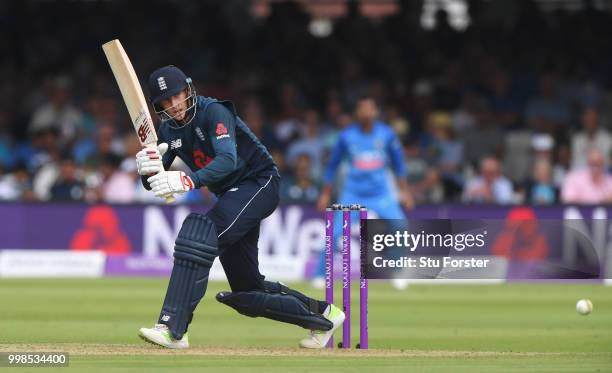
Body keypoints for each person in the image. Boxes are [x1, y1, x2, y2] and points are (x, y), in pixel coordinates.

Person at [136, 66, 343, 349]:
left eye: (178, 96)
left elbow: (227, 160)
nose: (175, 105)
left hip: (259, 183)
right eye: (166, 102)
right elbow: (154, 181)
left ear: (188, 89)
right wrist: (147, 169)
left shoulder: (214, 112)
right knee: (248, 289)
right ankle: (324, 315)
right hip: (232, 197)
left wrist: (188, 179)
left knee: (198, 236)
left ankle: (173, 329)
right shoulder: (169, 128)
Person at [315, 95, 413, 289]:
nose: (367, 113)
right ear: (357, 113)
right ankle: (320, 274)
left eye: (370, 108)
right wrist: (325, 193)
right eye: (363, 109)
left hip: (381, 194)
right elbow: (332, 166)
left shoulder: (387, 134)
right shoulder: (346, 136)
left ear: (375, 112)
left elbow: (399, 165)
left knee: (400, 226)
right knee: (334, 233)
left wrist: (405, 192)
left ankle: (396, 270)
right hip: (353, 193)